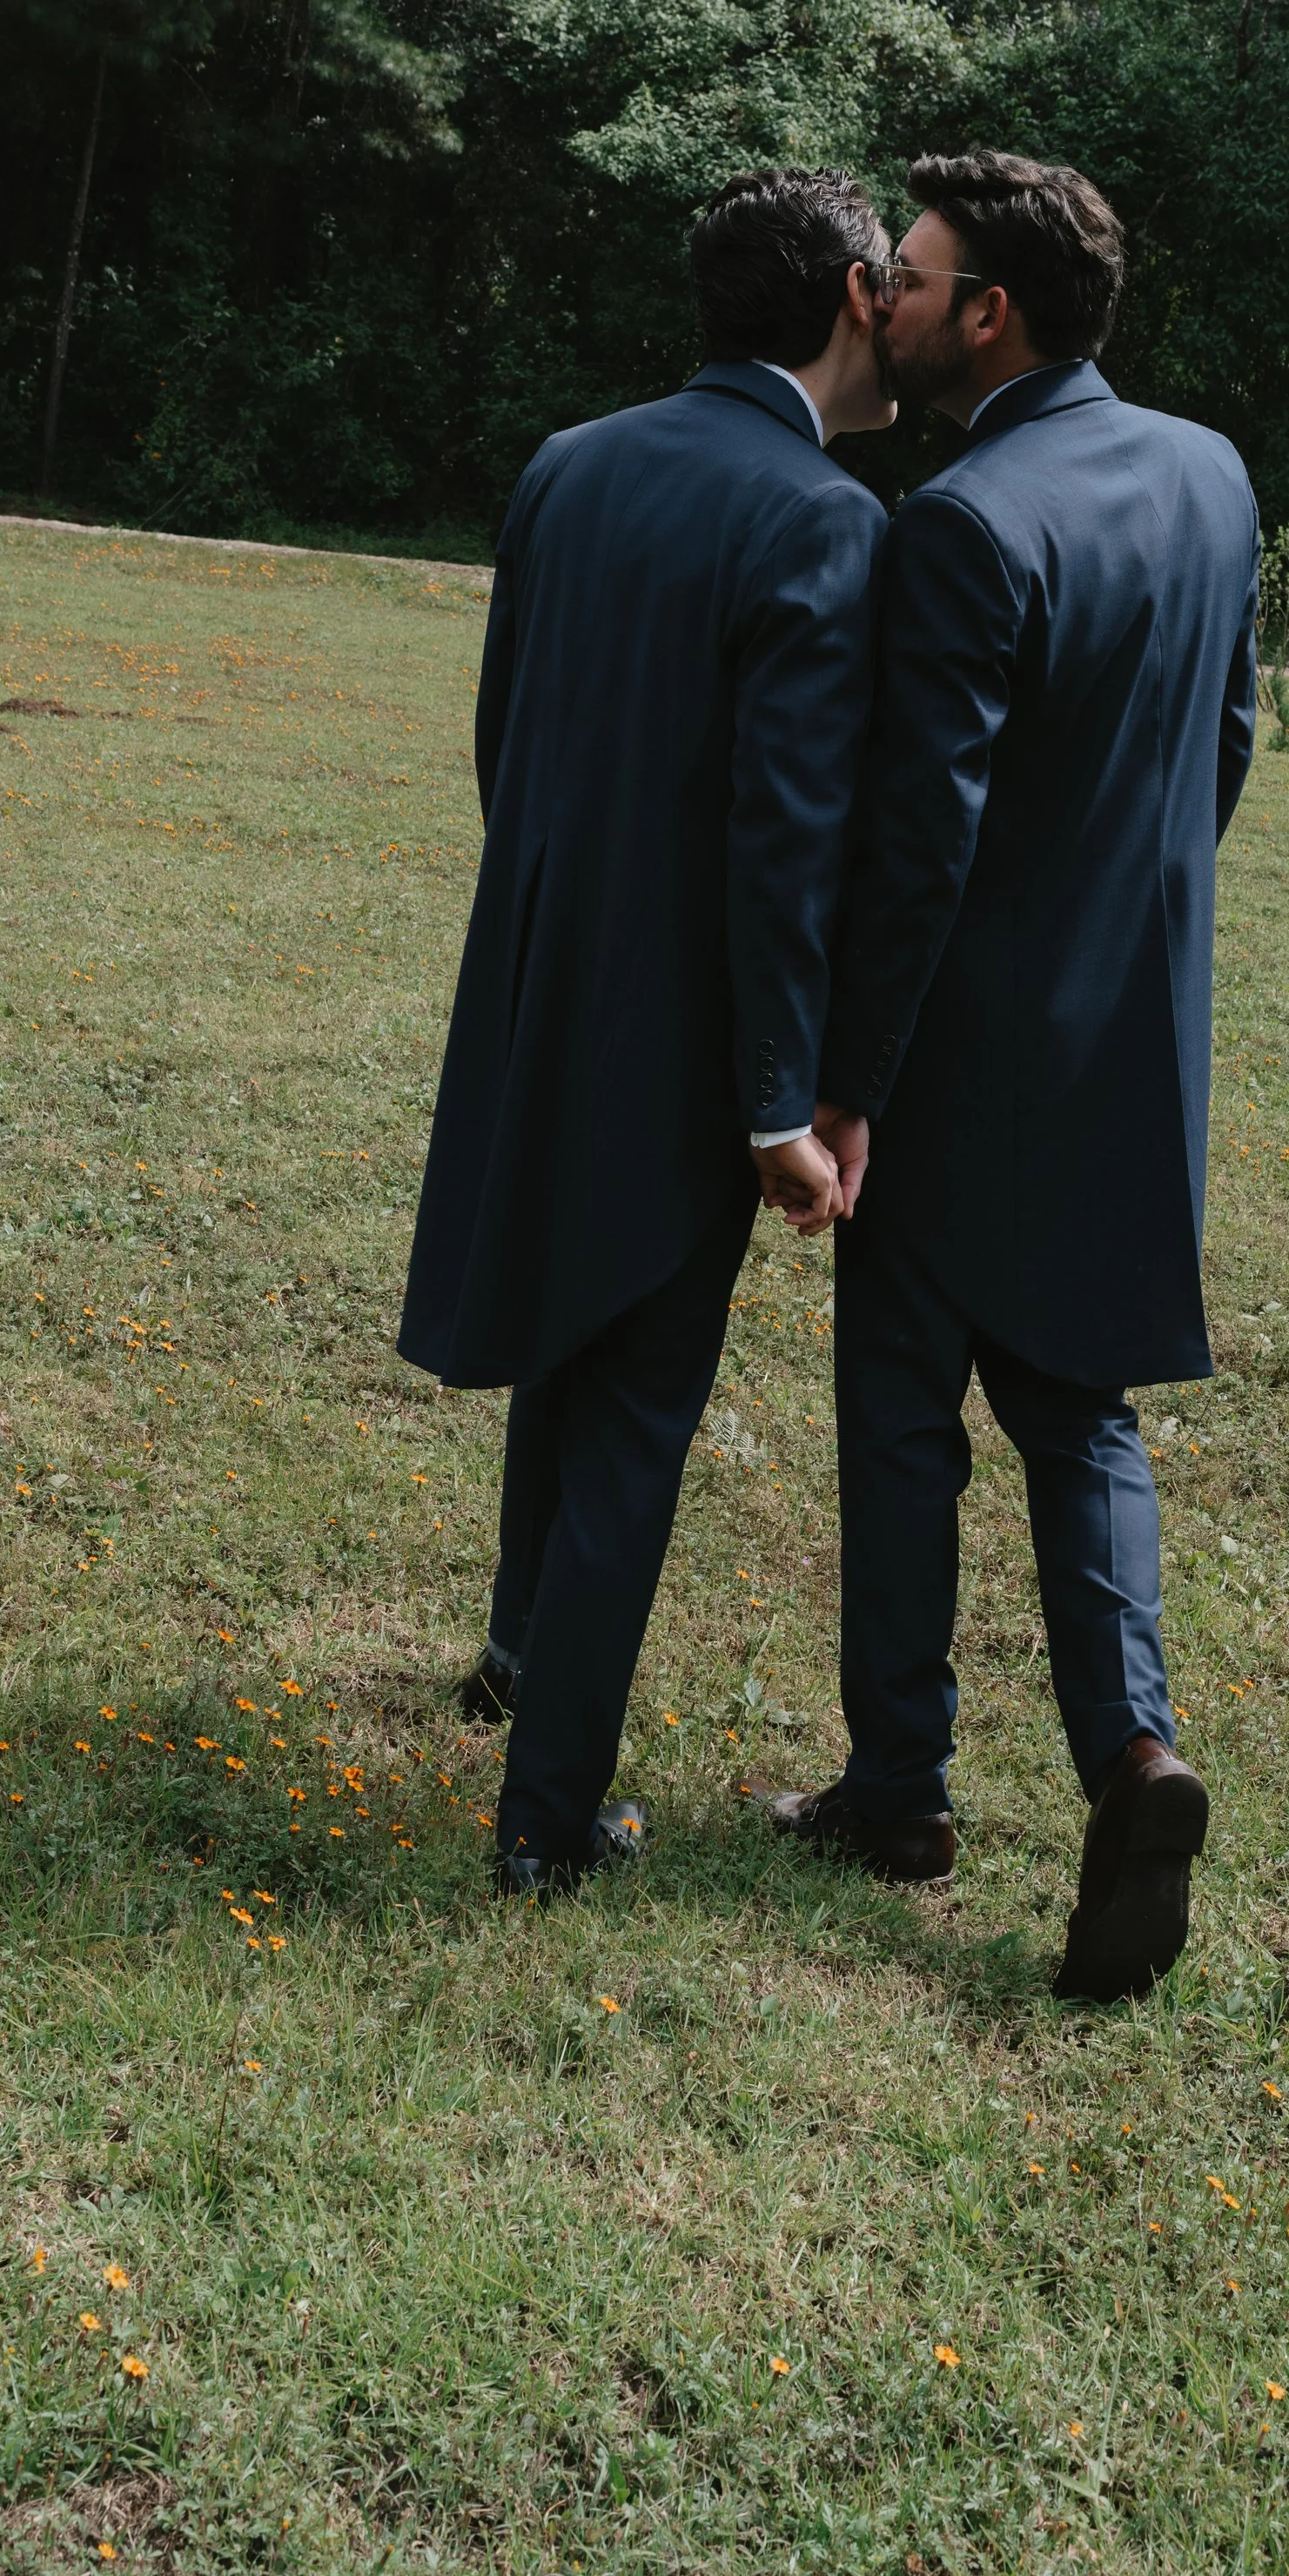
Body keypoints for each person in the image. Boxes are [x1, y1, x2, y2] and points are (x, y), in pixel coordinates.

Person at [769, 148, 1259, 2005]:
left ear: (985, 312)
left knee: (902, 1420)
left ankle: (897, 1787)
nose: (873, 295)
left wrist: (842, 1085)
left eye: (900, 272)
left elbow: (916, 851)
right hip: (1130, 1046)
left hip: (961, 1062)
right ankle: (1132, 1756)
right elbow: (1212, 757)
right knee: (1080, 1418)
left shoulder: (960, 521)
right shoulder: (1209, 475)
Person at [399, 166, 896, 1897]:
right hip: (687, 1035)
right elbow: (784, 841)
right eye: (890, 282)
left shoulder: (568, 461)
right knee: (632, 1408)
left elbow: (500, 738)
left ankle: (518, 1651)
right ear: (848, 291)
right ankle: (545, 1819)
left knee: (563, 1337)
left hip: (536, 982)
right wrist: (778, 1097)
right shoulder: (825, 520)